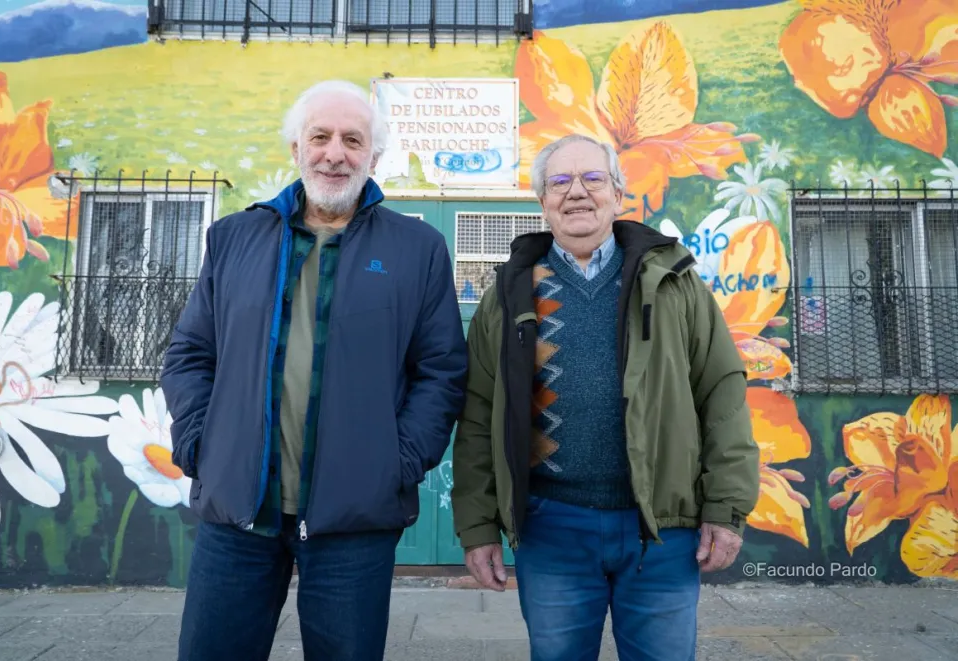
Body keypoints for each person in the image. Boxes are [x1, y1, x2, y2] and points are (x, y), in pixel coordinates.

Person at [161, 79, 468, 661]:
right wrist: (201, 444)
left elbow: (442, 371)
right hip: (238, 517)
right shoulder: (233, 238)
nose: (335, 153)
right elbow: (190, 355)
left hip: (355, 520)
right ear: (295, 149)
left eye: (353, 140)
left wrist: (395, 463)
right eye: (320, 136)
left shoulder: (416, 247)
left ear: (373, 158)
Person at [451, 133, 760, 661]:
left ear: (618, 194)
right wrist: (478, 525)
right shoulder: (506, 296)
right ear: (542, 200)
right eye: (560, 181)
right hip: (552, 529)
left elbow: (722, 393)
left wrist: (726, 506)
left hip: (661, 531)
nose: (577, 192)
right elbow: (479, 415)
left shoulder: (674, 282)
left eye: (593, 178)